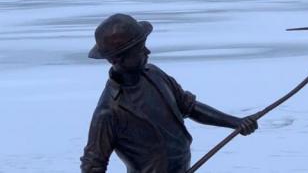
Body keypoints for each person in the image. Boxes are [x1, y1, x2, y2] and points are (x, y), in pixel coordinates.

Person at [81, 14, 258, 173]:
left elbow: (190, 106)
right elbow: (93, 166)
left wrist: (236, 122)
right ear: (116, 59)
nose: (147, 51)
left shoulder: (155, 74)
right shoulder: (109, 111)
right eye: (140, 49)